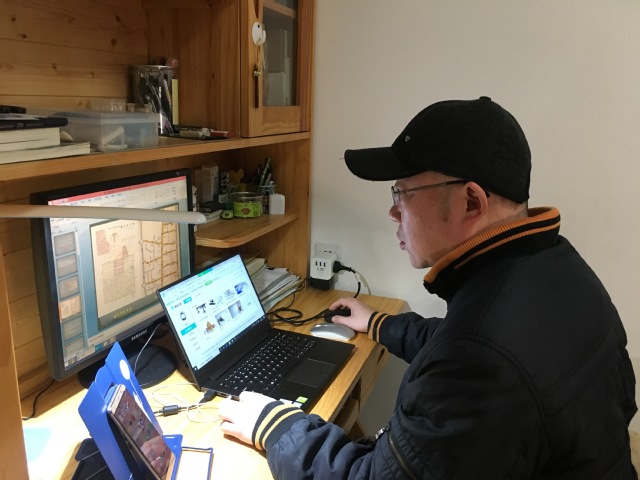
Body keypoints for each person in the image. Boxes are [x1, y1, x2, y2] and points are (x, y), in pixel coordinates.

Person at [219, 96, 637, 479]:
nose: (392, 211)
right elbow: (462, 342)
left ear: (471, 202)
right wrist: (379, 323)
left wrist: (276, 425)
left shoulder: (480, 357)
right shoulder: (555, 268)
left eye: (402, 192)